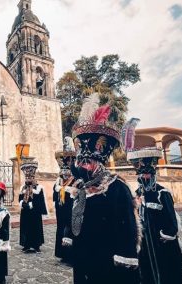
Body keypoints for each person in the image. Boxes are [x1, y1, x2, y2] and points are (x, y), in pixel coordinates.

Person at [70, 93, 141, 284]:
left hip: (107, 263)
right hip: (84, 259)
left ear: (99, 163)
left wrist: (124, 258)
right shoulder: (81, 187)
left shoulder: (117, 188)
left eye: (87, 161)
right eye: (81, 161)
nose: (83, 166)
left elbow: (128, 229)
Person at [124, 122, 182, 283]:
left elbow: (172, 223)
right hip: (145, 245)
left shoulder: (162, 193)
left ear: (153, 173)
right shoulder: (137, 193)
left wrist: (164, 236)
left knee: (164, 275)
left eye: (148, 174)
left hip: (162, 246)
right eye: (142, 174)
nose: (145, 177)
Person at [53, 136, 76, 262]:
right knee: (61, 229)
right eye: (63, 171)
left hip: (71, 211)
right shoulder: (59, 181)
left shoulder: (76, 180)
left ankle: (70, 255)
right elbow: (55, 195)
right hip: (61, 211)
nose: (65, 173)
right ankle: (62, 254)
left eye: (67, 171)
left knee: (71, 230)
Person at [19, 160, 48, 253]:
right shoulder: (22, 187)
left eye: (30, 177)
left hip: (35, 212)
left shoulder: (38, 188)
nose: (28, 179)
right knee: (25, 228)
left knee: (35, 228)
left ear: (33, 177)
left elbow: (40, 200)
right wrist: (23, 204)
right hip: (25, 212)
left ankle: (36, 245)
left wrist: (32, 205)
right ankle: (26, 245)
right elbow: (19, 198)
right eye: (27, 177)